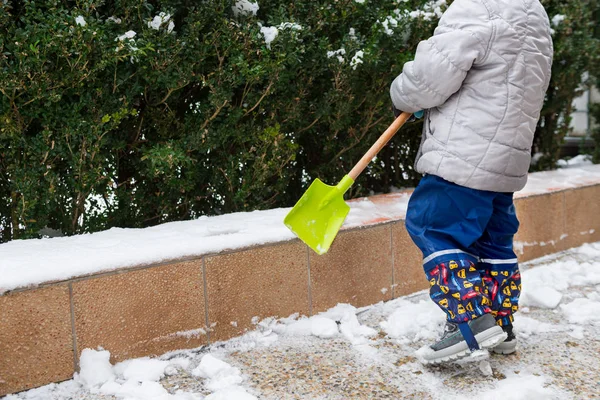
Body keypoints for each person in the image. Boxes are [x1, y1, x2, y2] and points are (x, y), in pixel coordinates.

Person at [390, 0, 553, 364]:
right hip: (506, 157)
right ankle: (501, 323)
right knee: (492, 241)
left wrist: (403, 95)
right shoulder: (535, 14)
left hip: (464, 152)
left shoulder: (476, 7)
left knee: (434, 226)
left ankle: (469, 322)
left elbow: (432, 75)